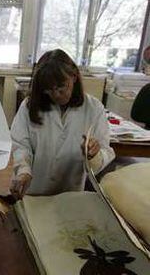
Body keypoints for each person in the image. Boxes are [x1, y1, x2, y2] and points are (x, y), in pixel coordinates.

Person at [10, 49, 115, 199]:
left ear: (73, 76)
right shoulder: (29, 106)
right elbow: (20, 144)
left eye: (61, 87)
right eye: (49, 89)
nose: (56, 94)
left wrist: (95, 155)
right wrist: (23, 171)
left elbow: (105, 153)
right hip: (33, 192)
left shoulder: (94, 108)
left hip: (70, 196)